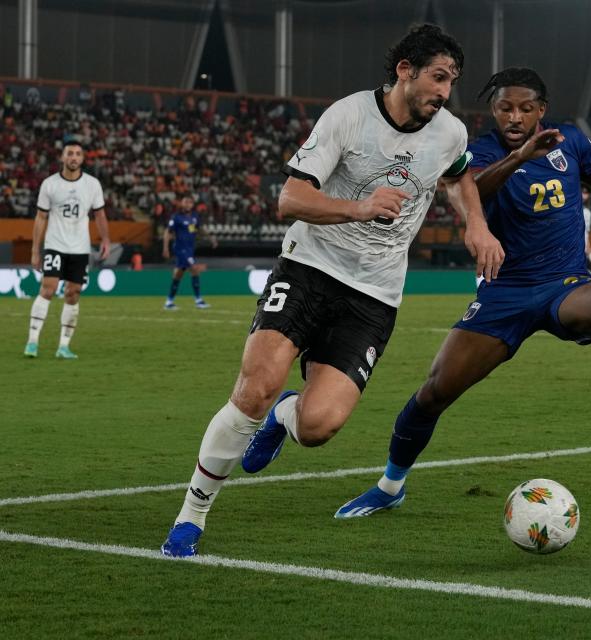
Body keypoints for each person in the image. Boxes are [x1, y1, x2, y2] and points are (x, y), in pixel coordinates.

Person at [160, 24, 503, 557]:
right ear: (405, 71)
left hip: (374, 296)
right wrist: (359, 207)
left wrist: (474, 225)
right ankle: (192, 515)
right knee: (254, 389)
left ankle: (283, 417)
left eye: (452, 81)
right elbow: (290, 199)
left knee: (318, 428)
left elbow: (458, 178)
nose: (445, 91)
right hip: (309, 268)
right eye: (438, 77)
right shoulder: (349, 115)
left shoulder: (450, 133)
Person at [333, 67, 591, 518]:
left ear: (542, 110)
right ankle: (390, 486)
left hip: (565, 285)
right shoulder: (475, 151)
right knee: (434, 393)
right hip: (505, 293)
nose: (514, 116)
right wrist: (520, 156)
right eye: (505, 108)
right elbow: (472, 196)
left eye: (525, 108)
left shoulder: (572, 144)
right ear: (492, 111)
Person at [24, 139, 110, 359]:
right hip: (55, 245)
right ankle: (32, 342)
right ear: (62, 157)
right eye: (69, 153)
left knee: (73, 293)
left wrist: (106, 240)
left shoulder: (92, 184)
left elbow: (99, 214)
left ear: (82, 159)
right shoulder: (50, 184)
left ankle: (63, 347)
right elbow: (41, 217)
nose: (73, 157)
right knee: (48, 288)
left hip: (80, 248)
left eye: (77, 154)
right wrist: (35, 250)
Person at [162, 195, 218, 309]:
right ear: (182, 204)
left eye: (190, 202)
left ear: (192, 205)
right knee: (194, 269)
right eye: (186, 202)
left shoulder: (194, 217)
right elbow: (168, 232)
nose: (188, 204)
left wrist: (211, 238)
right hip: (180, 249)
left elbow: (200, 229)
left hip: (190, 249)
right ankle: (198, 300)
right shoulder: (176, 217)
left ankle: (169, 301)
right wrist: (165, 248)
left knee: (178, 275)